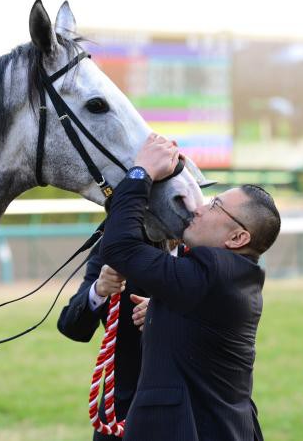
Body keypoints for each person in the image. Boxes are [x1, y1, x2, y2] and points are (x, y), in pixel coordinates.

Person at [100, 133, 281, 441]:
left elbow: (120, 248)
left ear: (238, 238)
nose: (198, 208)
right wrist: (164, 314)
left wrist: (141, 172)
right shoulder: (234, 275)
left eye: (215, 206)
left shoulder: (214, 272)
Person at [57, 241, 150, 441]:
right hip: (121, 409)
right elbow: (71, 326)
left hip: (193, 409)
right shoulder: (115, 245)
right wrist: (98, 291)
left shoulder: (206, 242)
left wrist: (165, 311)